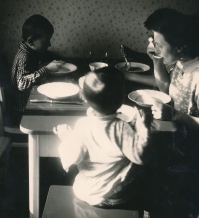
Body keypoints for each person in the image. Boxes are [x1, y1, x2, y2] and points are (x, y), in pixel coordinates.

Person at [125, 8, 199, 217]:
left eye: (159, 44)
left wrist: (176, 115)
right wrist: (156, 59)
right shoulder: (182, 62)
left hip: (191, 157)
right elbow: (166, 87)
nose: (153, 46)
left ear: (180, 46)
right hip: (176, 142)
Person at [53, 67, 152, 212]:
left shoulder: (82, 126)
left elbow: (72, 157)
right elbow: (140, 157)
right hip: (118, 195)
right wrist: (143, 127)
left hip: (87, 192)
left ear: (84, 99)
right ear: (121, 100)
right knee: (146, 179)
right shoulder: (123, 128)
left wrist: (66, 137)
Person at [10, 14, 65, 125]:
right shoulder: (24, 57)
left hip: (28, 102)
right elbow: (21, 83)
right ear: (30, 41)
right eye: (46, 41)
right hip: (22, 109)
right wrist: (47, 69)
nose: (49, 44)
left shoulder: (30, 51)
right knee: (58, 112)